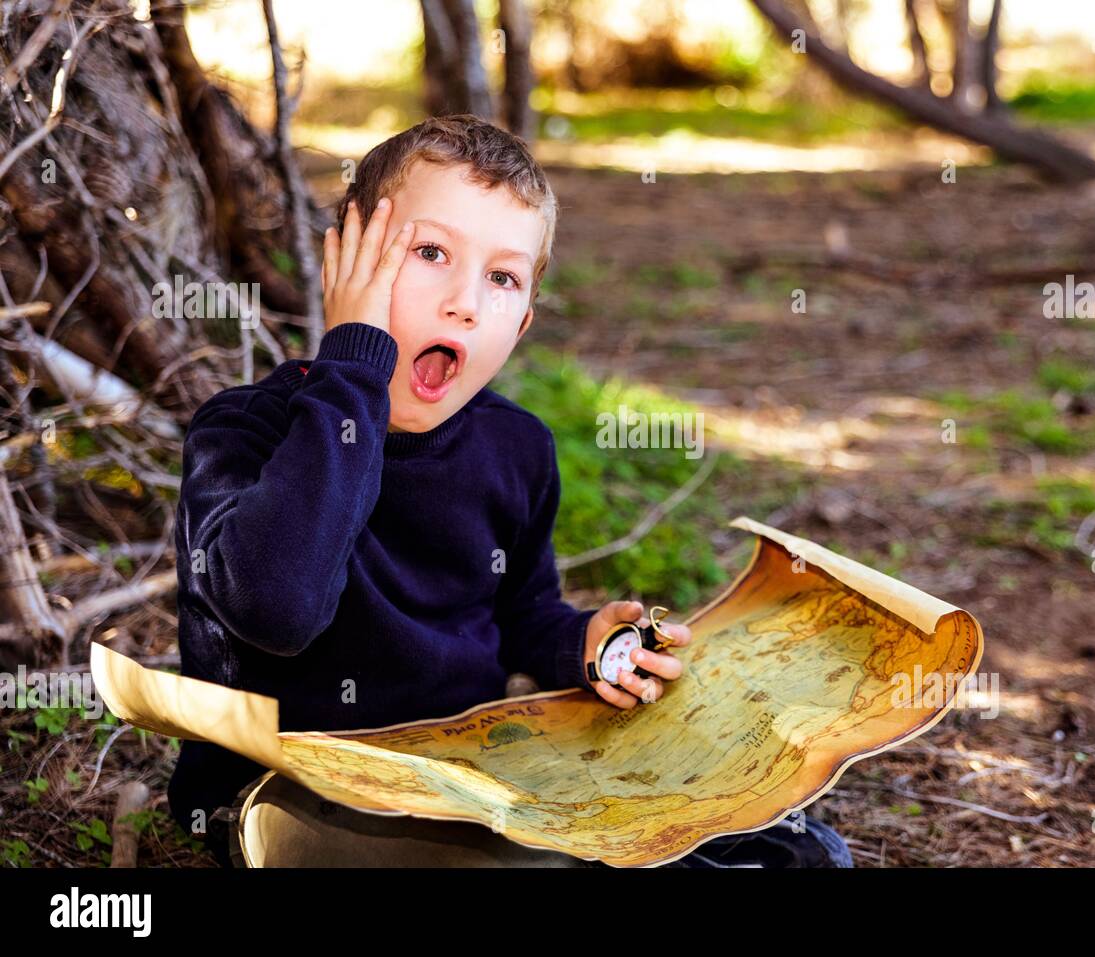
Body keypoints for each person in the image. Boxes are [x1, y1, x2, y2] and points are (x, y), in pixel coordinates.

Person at [167, 114, 852, 869]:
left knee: (770, 846)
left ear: (521, 322)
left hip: (464, 778)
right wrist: (352, 371)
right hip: (292, 793)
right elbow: (279, 608)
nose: (467, 301)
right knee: (543, 860)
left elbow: (523, 616)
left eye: (501, 277)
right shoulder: (243, 432)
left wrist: (583, 644)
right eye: (431, 253)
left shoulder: (516, 448)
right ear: (345, 267)